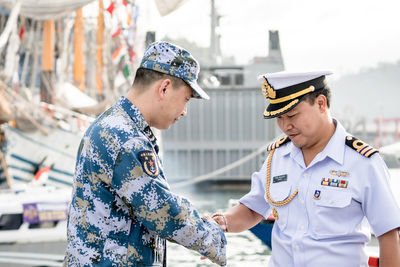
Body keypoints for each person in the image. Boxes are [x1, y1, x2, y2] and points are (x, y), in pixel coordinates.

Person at [211, 71, 400, 266]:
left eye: (292, 115)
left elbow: (389, 234)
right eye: (279, 118)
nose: (285, 126)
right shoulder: (277, 157)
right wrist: (223, 222)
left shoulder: (363, 162)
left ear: (320, 104)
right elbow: (252, 209)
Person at [64, 41, 226, 266]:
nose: (184, 111)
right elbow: (164, 213)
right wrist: (214, 235)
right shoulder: (126, 138)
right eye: (186, 99)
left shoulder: (113, 124)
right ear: (165, 88)